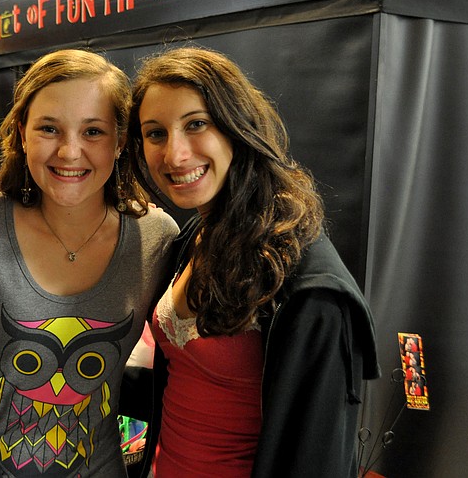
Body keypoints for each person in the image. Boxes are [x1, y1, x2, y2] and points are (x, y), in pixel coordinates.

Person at [124, 46, 380, 477]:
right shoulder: (194, 236)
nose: (175, 154)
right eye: (155, 133)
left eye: (196, 124)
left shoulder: (307, 287)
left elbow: (316, 457)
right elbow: (188, 385)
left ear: (237, 126)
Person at [0, 49, 179, 476]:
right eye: (49, 128)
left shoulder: (156, 238)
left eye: (93, 131)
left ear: (120, 142)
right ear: (22, 133)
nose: (70, 151)